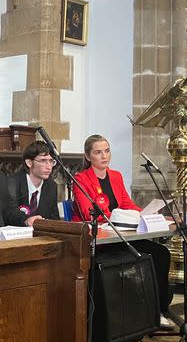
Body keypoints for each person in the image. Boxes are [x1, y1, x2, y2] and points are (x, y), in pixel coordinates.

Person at [73, 134, 174, 327]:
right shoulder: (80, 179)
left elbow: (127, 204)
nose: (104, 156)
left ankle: (159, 310)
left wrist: (146, 214)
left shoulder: (116, 176)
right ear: (88, 156)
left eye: (107, 150)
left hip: (121, 234)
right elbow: (89, 213)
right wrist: (119, 216)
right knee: (142, 256)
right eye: (98, 152)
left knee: (160, 253)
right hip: (98, 240)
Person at [7, 141, 60, 221]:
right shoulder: (13, 183)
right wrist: (26, 220)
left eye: (51, 161)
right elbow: (9, 214)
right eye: (43, 161)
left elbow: (54, 218)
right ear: (29, 163)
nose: (49, 166)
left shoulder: (51, 186)